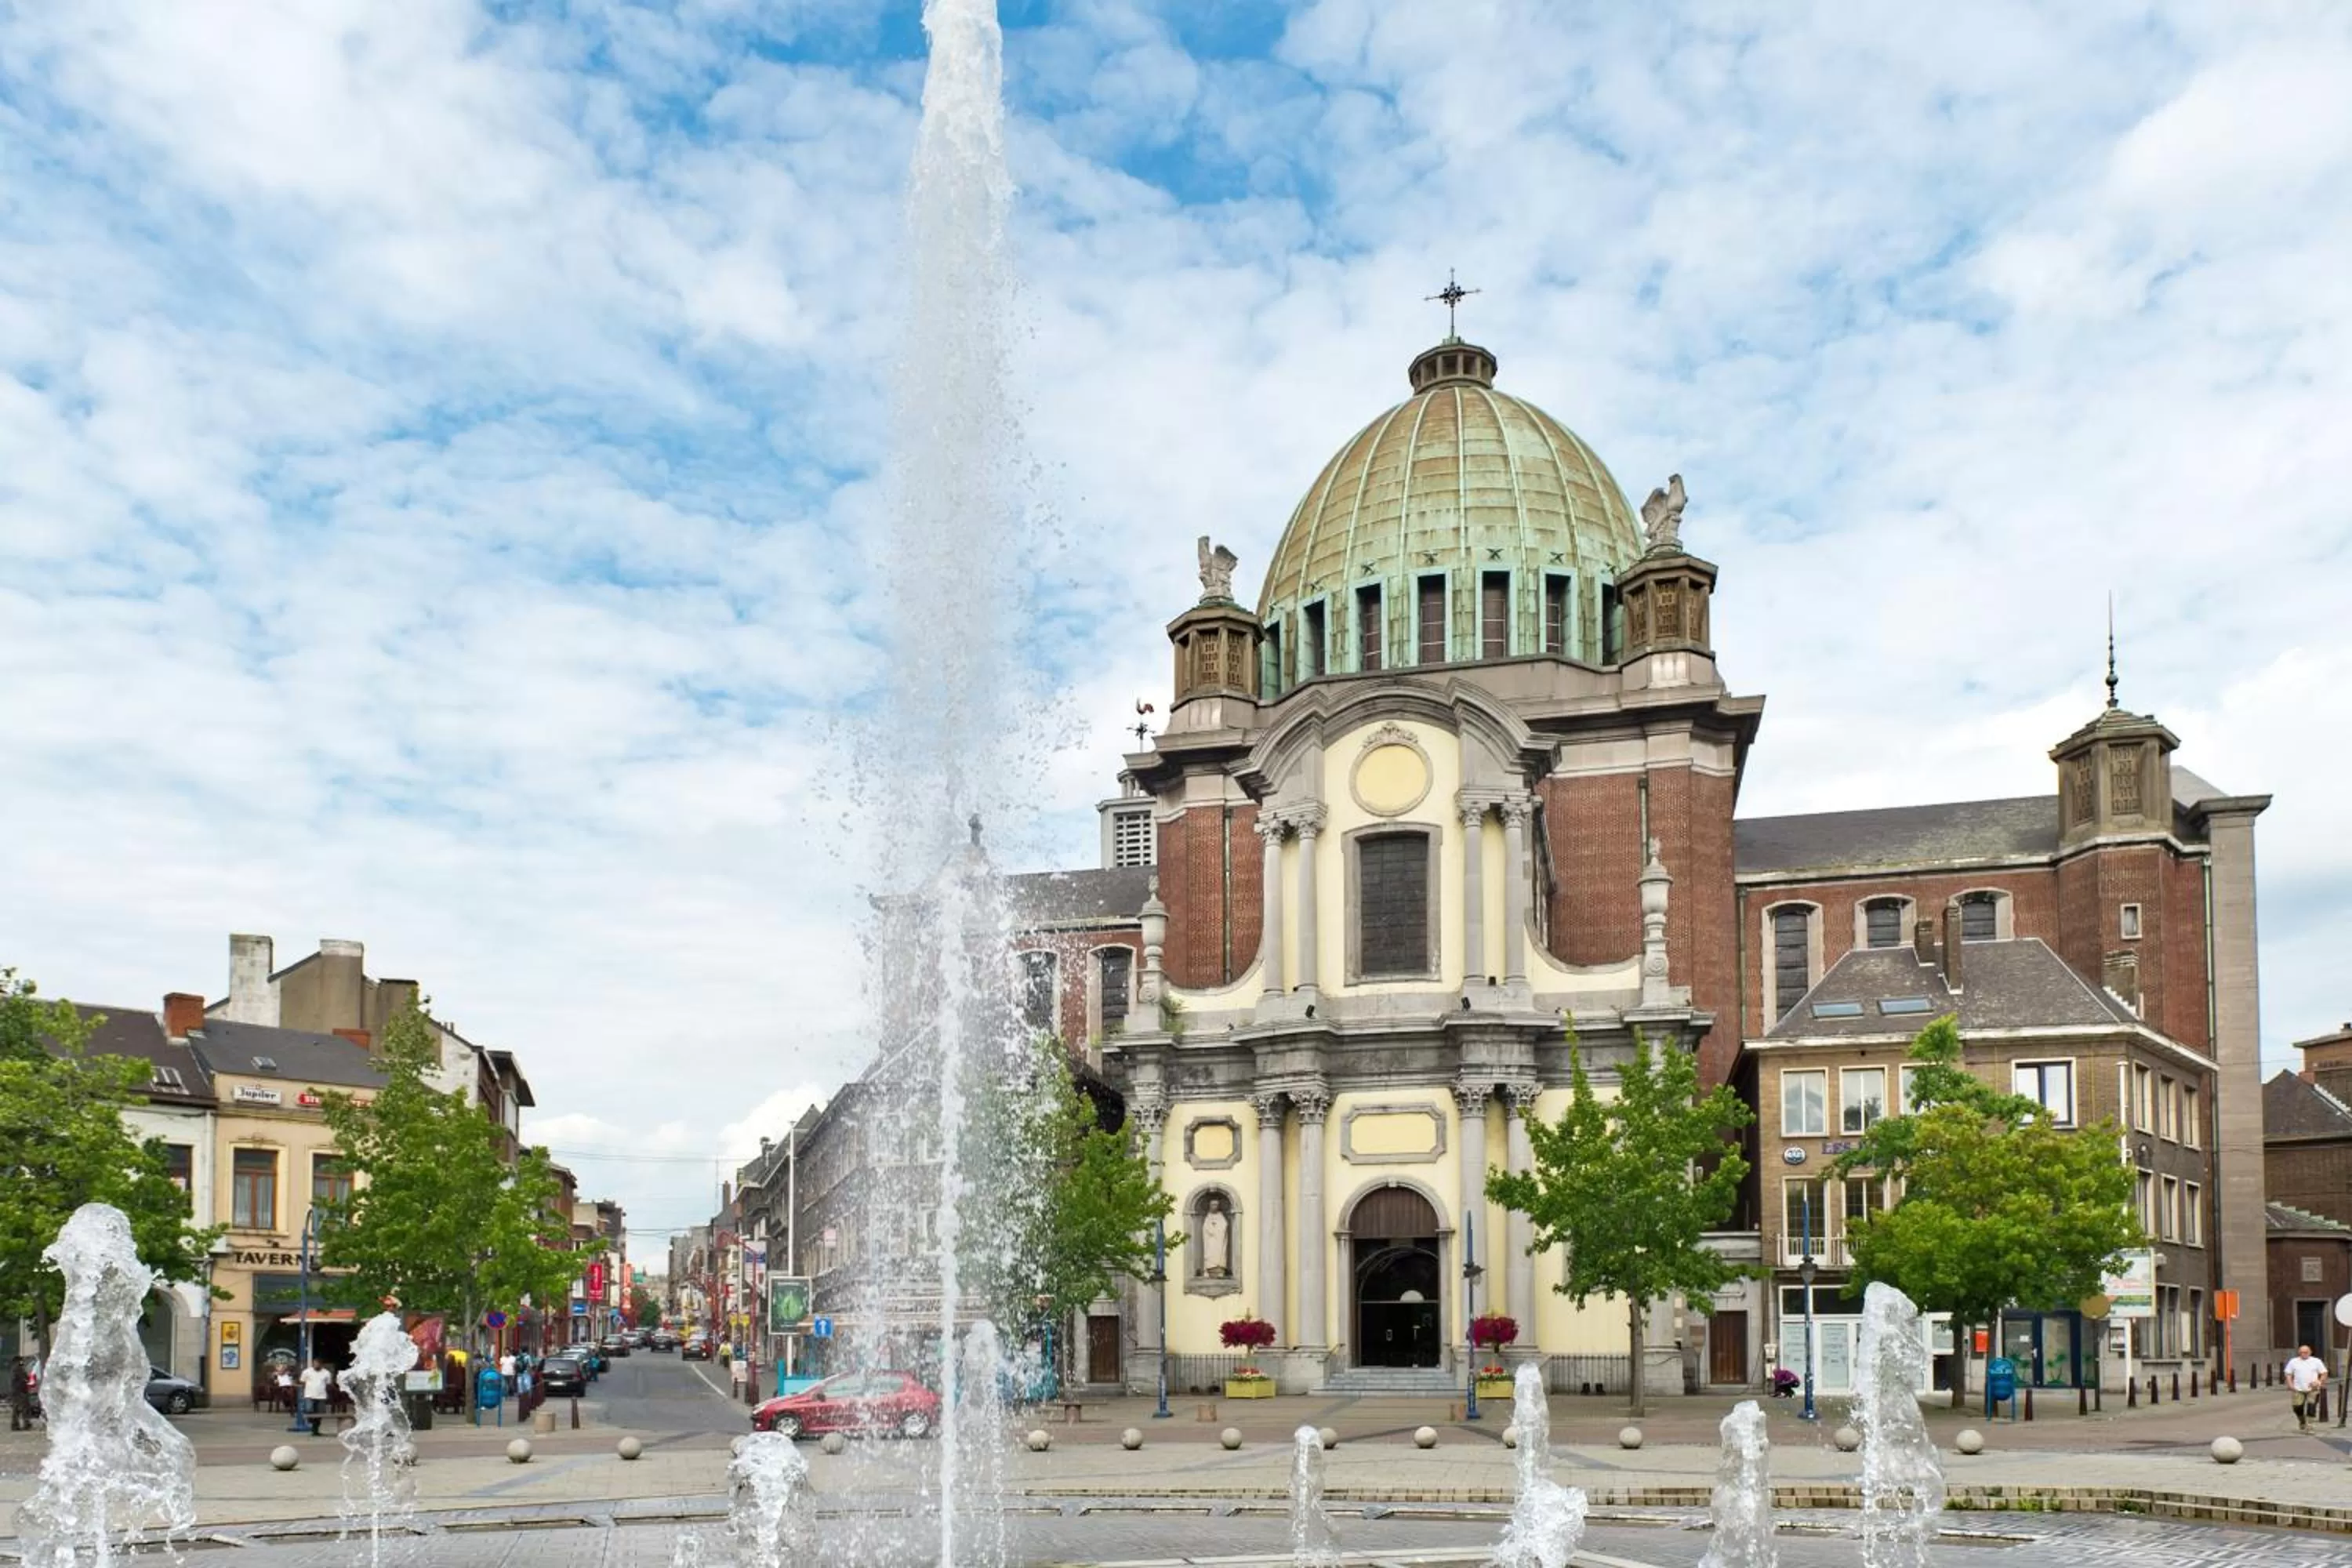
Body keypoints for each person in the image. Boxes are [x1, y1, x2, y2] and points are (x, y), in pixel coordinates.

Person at [2285, 1342, 2328, 1432]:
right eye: (2301, 1352)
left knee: (2311, 1407)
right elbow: (2288, 1374)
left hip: (2313, 1389)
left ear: (2310, 1352)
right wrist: (2290, 1384)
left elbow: (2324, 1373)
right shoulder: (2294, 1361)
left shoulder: (2316, 1361)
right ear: (2299, 1353)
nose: (2303, 1354)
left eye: (2306, 1352)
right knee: (2297, 1407)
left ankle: (2310, 1425)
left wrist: (2319, 1381)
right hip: (2298, 1388)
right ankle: (2302, 1421)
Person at [299, 1356, 334, 1436]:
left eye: (318, 1364)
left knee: (320, 1414)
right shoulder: (307, 1372)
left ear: (321, 1365)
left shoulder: (326, 1373)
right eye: (315, 1364)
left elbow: (328, 1384)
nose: (316, 1365)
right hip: (309, 1395)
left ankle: (315, 1430)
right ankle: (310, 1421)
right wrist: (306, 1391)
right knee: (309, 1410)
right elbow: (302, 1382)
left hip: (321, 1396)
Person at [9, 1356, 34, 1432]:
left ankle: (15, 1425)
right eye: (21, 1361)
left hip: (16, 1391)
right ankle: (26, 1424)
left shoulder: (14, 1368)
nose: (23, 1362)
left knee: (16, 1408)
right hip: (20, 1392)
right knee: (24, 1408)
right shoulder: (18, 1369)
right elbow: (25, 1378)